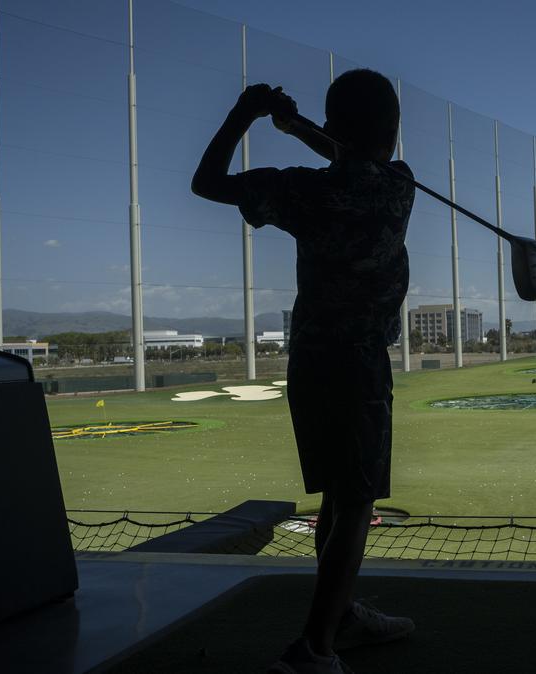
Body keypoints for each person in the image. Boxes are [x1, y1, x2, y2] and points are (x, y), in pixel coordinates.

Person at [191, 69, 415, 674]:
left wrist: (249, 113)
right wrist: (298, 129)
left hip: (312, 363)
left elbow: (206, 182)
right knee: (356, 501)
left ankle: (336, 618)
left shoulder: (299, 191)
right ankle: (314, 650)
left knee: (339, 500)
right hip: (360, 365)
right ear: (393, 133)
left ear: (334, 125)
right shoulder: (401, 185)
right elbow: (353, 152)